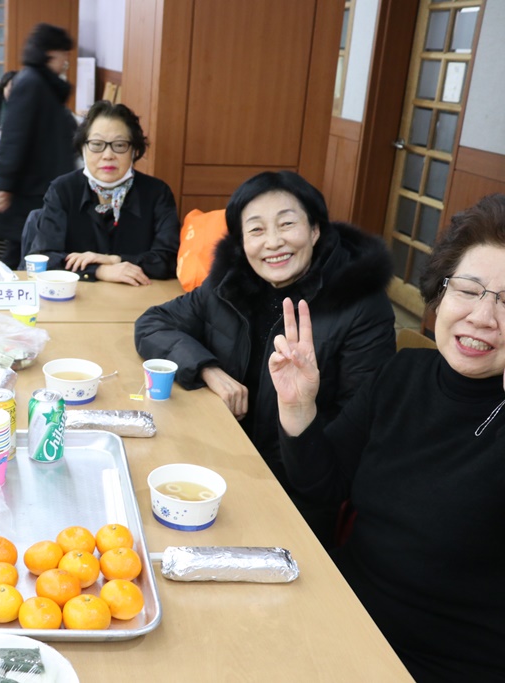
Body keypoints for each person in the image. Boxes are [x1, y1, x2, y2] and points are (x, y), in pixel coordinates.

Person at [272, 194, 505, 681]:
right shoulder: (403, 373)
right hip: (338, 617)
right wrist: (298, 407)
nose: (483, 317)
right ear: (441, 293)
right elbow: (323, 486)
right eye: (469, 290)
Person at [134, 171, 396, 546]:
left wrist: (299, 414)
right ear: (241, 242)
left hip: (298, 491)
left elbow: (357, 430)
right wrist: (208, 369)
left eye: (287, 224)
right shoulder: (229, 283)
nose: (273, 242)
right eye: (256, 230)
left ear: (315, 230)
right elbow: (152, 323)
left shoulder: (359, 305)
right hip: (220, 457)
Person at [25, 100, 179, 285]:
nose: (108, 155)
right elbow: (45, 258)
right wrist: (99, 270)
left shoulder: (157, 193)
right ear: (83, 148)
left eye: (119, 145)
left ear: (134, 150)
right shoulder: (63, 190)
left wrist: (114, 260)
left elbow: (170, 260)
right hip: (76, 298)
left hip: (139, 298)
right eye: (97, 144)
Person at [0, 23, 78, 267]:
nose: (66, 61)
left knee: (32, 248)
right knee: (23, 249)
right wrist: (5, 185)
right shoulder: (31, 82)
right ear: (49, 53)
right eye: (64, 53)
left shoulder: (44, 83)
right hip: (31, 187)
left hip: (42, 183)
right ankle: (6, 287)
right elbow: (14, 136)